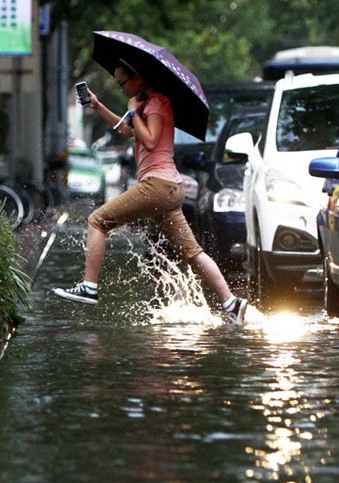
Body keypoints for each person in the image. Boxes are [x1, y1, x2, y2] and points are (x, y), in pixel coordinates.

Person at [52, 60, 248, 325]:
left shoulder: (157, 104)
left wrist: (134, 113)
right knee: (193, 253)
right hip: (168, 189)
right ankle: (231, 304)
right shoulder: (144, 105)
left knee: (97, 221)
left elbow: (152, 140)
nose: (121, 88)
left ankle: (89, 286)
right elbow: (124, 131)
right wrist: (98, 106)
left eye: (124, 83)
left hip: (157, 186)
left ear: (139, 78)